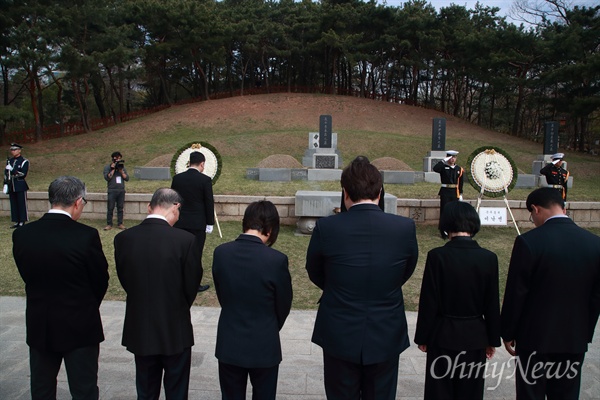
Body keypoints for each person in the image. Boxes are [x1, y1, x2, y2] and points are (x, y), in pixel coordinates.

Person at [306, 156, 419, 400]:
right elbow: (405, 271)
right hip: (385, 328)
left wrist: (338, 287)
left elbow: (315, 271)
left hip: (339, 326)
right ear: (380, 192)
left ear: (345, 193)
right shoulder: (403, 227)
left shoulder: (327, 227)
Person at [12, 176, 109, 399]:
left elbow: (27, 275)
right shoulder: (86, 236)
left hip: (40, 322)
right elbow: (99, 280)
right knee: (83, 388)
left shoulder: (23, 235)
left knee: (42, 387)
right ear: (77, 202)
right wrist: (84, 304)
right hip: (80, 324)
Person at [501, 187, 600, 400]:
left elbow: (517, 293)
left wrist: (508, 332)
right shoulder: (594, 244)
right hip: (574, 338)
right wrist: (584, 332)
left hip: (534, 338)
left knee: (530, 394)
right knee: (566, 394)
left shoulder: (529, 242)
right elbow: (595, 297)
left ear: (536, 209)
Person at [114, 188, 203, 400]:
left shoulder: (124, 238)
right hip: (175, 326)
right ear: (176, 207)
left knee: (145, 389)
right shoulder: (186, 240)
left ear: (149, 207)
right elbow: (191, 284)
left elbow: (126, 279)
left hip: (141, 326)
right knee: (177, 390)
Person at [414, 201, 500, 400]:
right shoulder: (488, 258)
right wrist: (492, 338)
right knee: (470, 392)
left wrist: (423, 337)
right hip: (475, 335)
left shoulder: (437, 256)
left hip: (442, 334)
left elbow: (429, 301)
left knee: (439, 391)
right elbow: (492, 303)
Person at [212, 200, 293, 400]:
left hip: (230, 339)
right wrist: (269, 325)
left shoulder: (221, 253)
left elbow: (223, 294)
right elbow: (283, 304)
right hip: (264, 341)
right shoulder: (276, 260)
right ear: (271, 228)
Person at [171, 151, 215, 292]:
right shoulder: (205, 180)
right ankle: (194, 284)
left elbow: (173, 200)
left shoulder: (177, 179)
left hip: (180, 221)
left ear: (189, 162)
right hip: (197, 223)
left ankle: (178, 281)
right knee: (195, 254)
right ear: (202, 164)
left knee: (180, 253)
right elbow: (209, 203)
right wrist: (210, 223)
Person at [433, 150, 464, 234]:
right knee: (444, 210)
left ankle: (453, 228)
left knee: (454, 211)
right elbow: (435, 168)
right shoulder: (443, 167)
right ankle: (443, 230)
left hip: (454, 192)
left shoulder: (459, 169)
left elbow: (460, 182)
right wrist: (443, 161)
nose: (452, 159)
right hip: (445, 192)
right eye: (450, 157)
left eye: (454, 157)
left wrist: (460, 193)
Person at [4, 143, 29, 228]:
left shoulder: (24, 161)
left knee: (21, 203)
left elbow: (23, 174)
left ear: (19, 150)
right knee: (13, 204)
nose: (13, 151)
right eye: (12, 150)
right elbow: (6, 174)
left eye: (14, 150)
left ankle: (22, 220)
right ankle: (16, 220)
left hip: (20, 184)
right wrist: (5, 183)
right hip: (11, 185)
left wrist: (13, 170)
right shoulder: (10, 161)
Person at [103, 151, 129, 230]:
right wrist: (113, 169)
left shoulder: (122, 168)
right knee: (110, 208)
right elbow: (107, 178)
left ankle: (120, 223)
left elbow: (127, 178)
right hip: (112, 190)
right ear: (113, 159)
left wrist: (121, 171)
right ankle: (109, 224)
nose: (118, 160)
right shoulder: (108, 167)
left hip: (121, 190)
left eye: (119, 159)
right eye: (116, 158)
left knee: (120, 208)